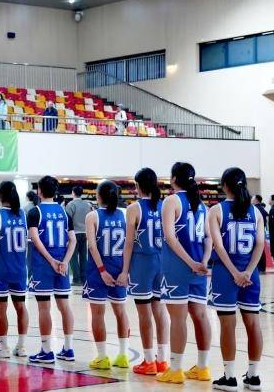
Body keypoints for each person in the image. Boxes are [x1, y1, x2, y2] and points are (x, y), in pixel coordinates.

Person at [156, 162, 212, 385]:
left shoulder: (171, 201)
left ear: (173, 179)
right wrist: (203, 261)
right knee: (201, 316)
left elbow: (170, 237)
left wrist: (190, 263)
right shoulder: (202, 205)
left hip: (177, 267)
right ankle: (203, 367)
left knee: (178, 319)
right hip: (199, 266)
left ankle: (176, 369)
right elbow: (209, 237)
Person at [208, 168, 263, 391]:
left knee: (227, 325)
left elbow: (219, 246)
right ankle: (254, 376)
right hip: (251, 275)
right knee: (253, 324)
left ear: (224, 185)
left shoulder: (216, 210)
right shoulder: (256, 212)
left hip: (225, 273)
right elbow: (260, 244)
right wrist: (248, 271)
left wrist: (234, 273)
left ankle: (229, 378)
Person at [117, 168, 169, 375]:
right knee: (160, 311)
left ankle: (148, 361)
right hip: (162, 262)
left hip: (142, 263)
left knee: (144, 313)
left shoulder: (134, 208)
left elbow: (129, 243)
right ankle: (162, 360)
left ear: (137, 186)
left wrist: (124, 271)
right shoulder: (164, 205)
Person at [28, 176, 76, 364]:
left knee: (44, 307)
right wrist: (64, 262)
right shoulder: (64, 212)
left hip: (43, 265)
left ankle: (46, 350)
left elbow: (35, 239)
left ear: (39, 191)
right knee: (64, 306)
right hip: (61, 266)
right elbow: (73, 240)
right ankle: (68, 348)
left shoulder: (35, 212)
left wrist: (51, 260)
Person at [83, 180, 130, 369]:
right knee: (121, 312)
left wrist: (102, 270)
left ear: (98, 195)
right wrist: (125, 271)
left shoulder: (92, 216)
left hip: (98, 271)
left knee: (97, 313)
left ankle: (102, 357)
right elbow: (129, 245)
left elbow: (92, 247)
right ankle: (123, 355)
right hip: (119, 269)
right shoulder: (125, 214)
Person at [0, 181, 29, 359]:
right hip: (20, 268)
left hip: (1, 269)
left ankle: (4, 348)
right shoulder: (23, 215)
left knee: (1, 309)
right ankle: (22, 346)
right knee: (21, 307)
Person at [65, 186, 92, 285]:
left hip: (74, 233)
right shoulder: (87, 204)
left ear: (73, 193)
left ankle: (76, 279)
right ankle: (84, 278)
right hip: (85, 233)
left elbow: (68, 220)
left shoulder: (71, 205)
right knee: (83, 256)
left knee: (73, 257)